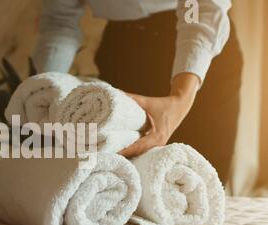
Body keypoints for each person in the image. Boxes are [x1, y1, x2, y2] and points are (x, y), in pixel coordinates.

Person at [33, 0, 243, 183]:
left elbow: (196, 6)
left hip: (198, 54)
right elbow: (60, 22)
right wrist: (44, 92)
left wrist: (181, 98)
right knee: (126, 187)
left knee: (203, 182)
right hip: (124, 51)